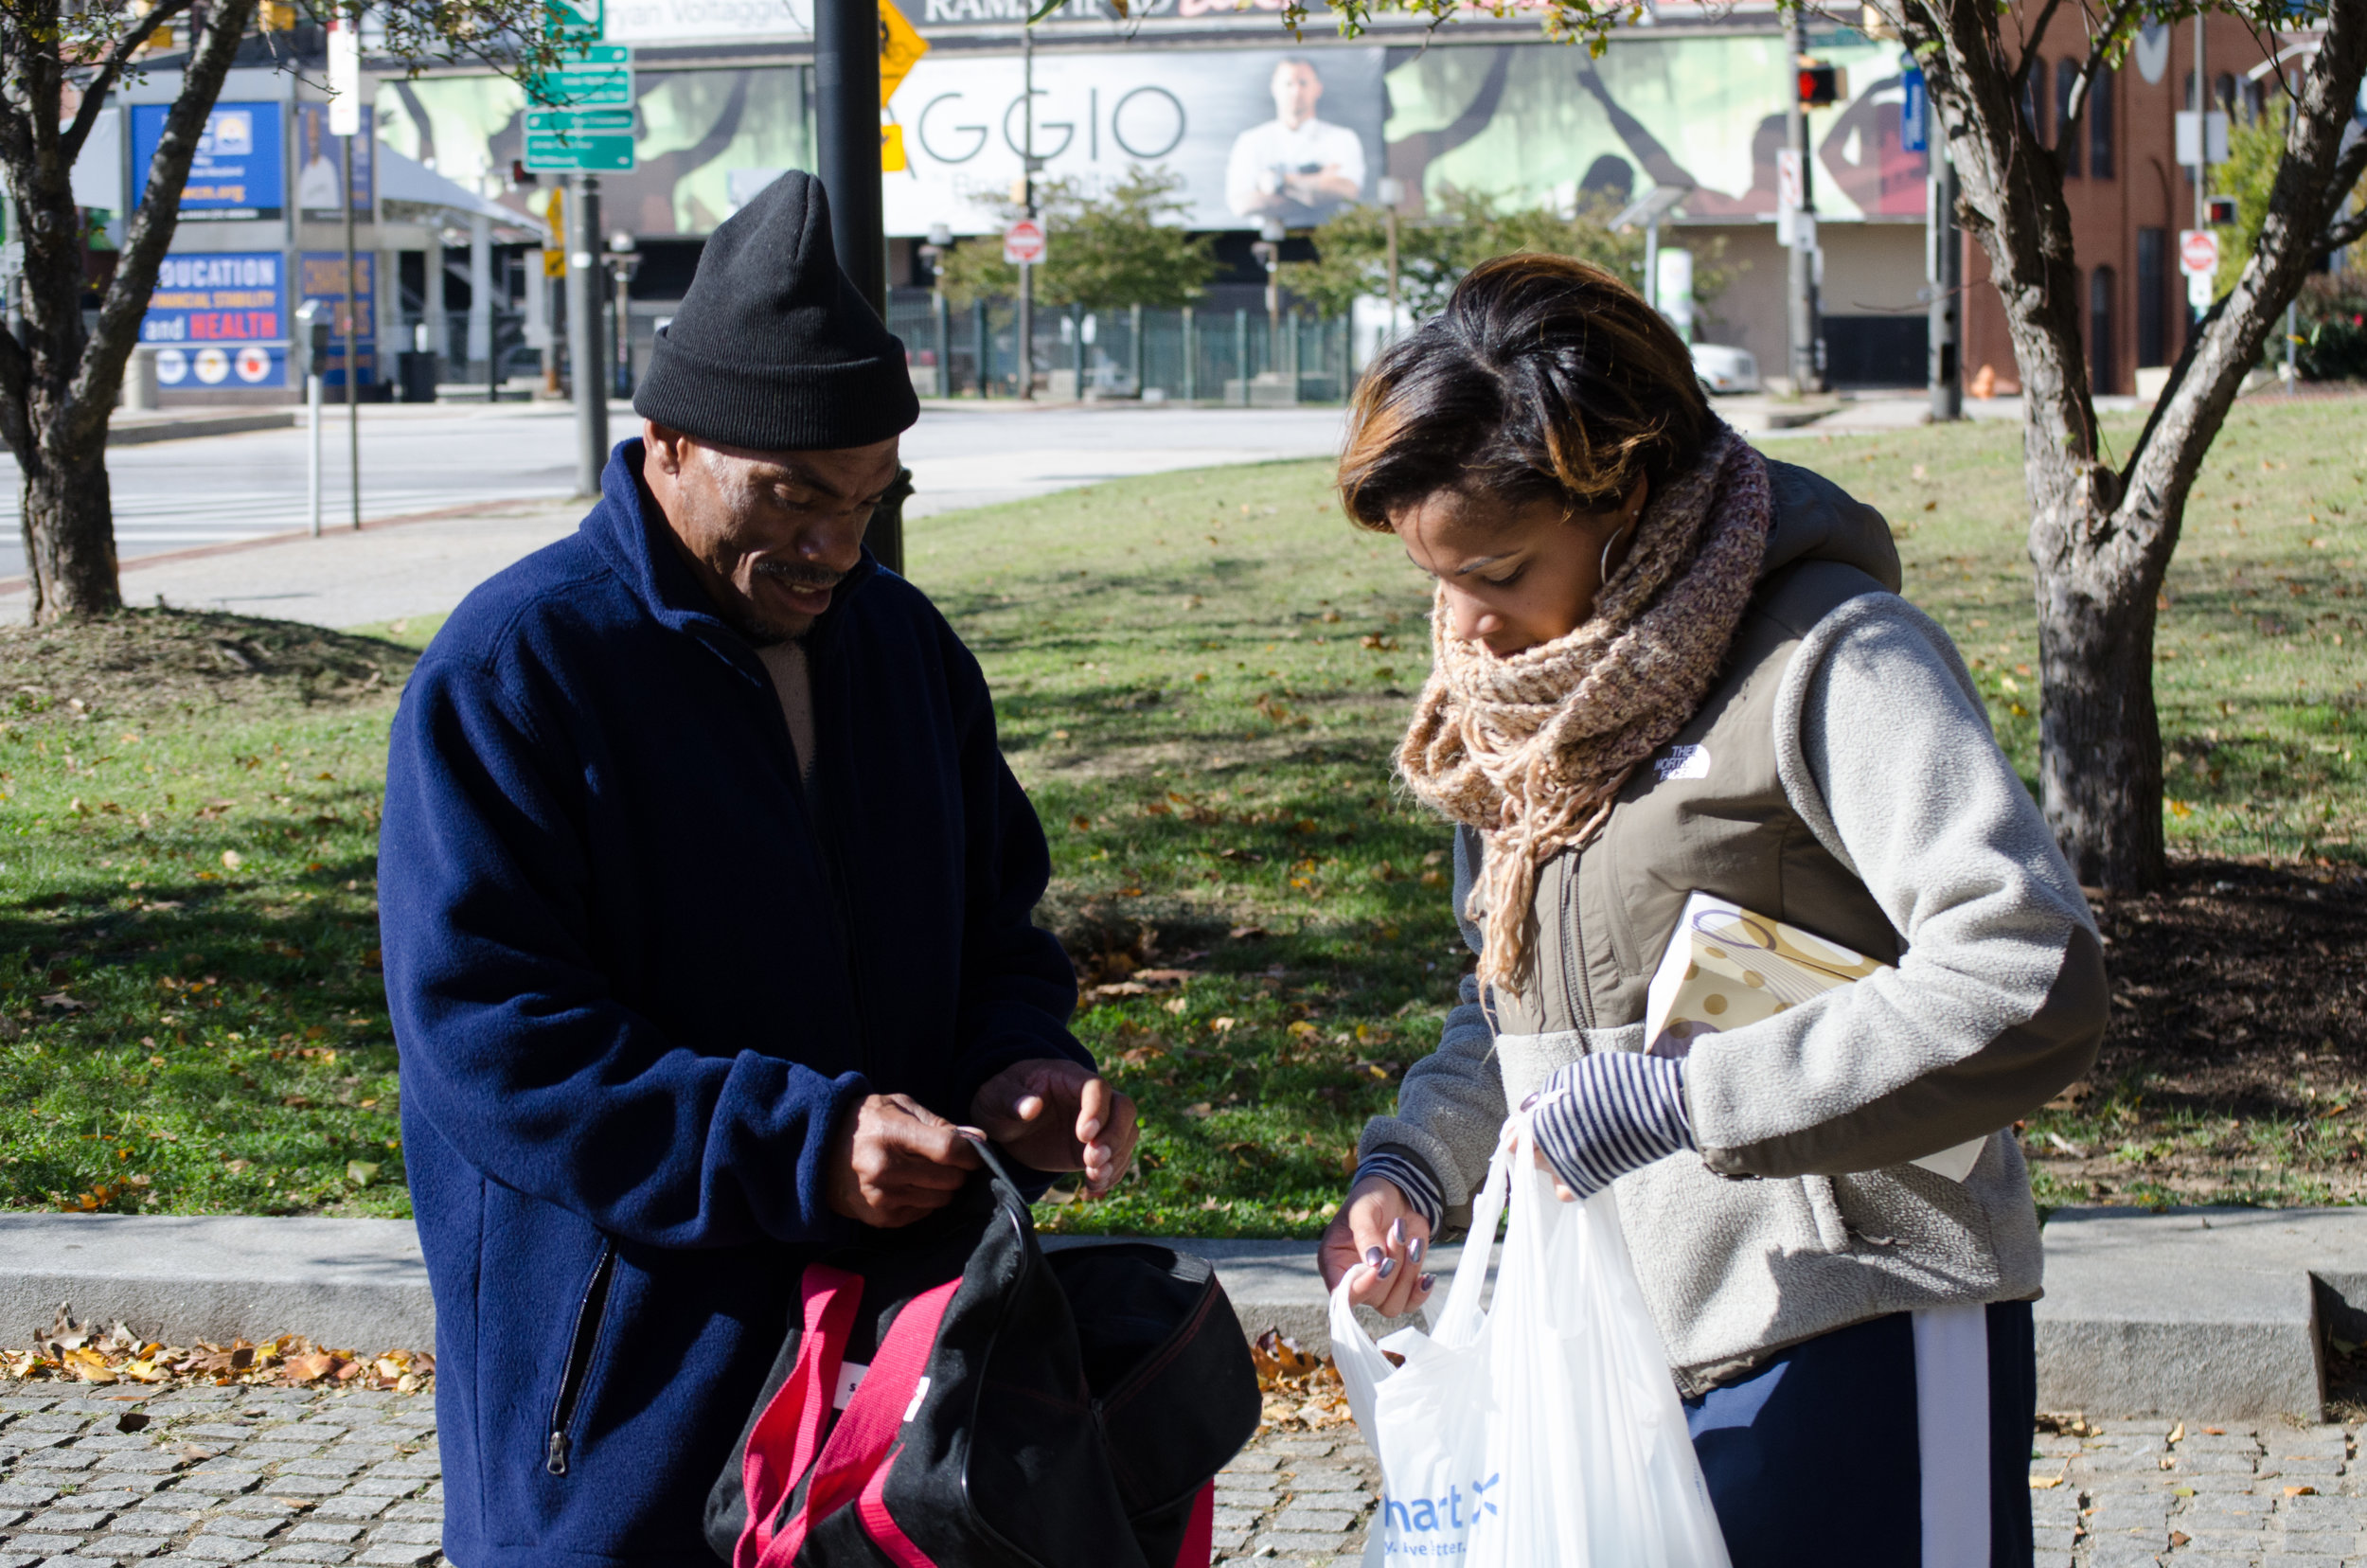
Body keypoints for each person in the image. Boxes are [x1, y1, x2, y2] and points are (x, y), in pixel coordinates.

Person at [379, 170, 1139, 1568]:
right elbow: (490, 1037)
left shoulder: (906, 651)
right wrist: (803, 1146)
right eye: (794, 498)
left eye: (869, 502)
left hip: (887, 1392)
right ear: (667, 442)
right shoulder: (518, 666)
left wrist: (1017, 1063)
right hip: (627, 1402)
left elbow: (998, 936)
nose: (835, 548)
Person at [1314, 254, 2104, 1566]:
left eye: (1499, 571)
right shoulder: (1530, 709)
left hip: (1868, 1325)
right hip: (1626, 1347)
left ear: (1620, 489)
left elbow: (2025, 966)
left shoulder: (1836, 654)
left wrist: (1687, 1103)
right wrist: (1414, 1167)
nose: (1465, 627)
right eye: (1432, 579)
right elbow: (1511, 1002)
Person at [1224, 57, 1367, 226]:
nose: (1296, 91)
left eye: (1303, 83)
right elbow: (1242, 204)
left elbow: (1347, 191)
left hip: (1328, 243)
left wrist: (1279, 182)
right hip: (1269, 243)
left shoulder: (1342, 138)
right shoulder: (1251, 141)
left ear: (1318, 88)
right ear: (1274, 89)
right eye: (1288, 84)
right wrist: (1318, 186)